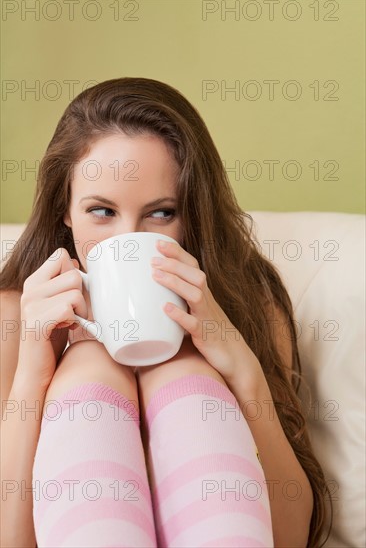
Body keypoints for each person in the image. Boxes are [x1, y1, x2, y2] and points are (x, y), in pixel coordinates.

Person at [1, 77, 331, 547]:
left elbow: (290, 537)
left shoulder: (247, 302)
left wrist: (240, 366)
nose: (126, 239)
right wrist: (34, 374)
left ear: (191, 212)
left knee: (178, 368)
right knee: (90, 363)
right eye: (101, 211)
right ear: (65, 210)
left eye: (160, 213)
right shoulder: (15, 317)